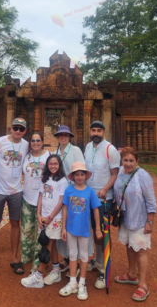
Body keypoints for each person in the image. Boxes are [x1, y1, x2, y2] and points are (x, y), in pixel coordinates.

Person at [0, 118, 29, 276]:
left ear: (25, 131)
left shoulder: (26, 145)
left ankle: (14, 258)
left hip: (16, 191)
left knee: (15, 223)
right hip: (0, 190)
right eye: (15, 128)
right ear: (10, 128)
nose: (17, 131)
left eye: (21, 129)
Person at [113, 147, 157, 302]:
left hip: (140, 219)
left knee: (141, 250)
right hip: (125, 218)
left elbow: (151, 200)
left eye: (131, 160)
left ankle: (143, 284)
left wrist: (149, 221)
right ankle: (131, 274)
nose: (128, 164)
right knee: (129, 246)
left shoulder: (142, 175)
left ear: (137, 161)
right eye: (125, 160)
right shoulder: (119, 172)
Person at [21, 155, 68, 288]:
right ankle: (56, 270)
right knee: (50, 244)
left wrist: (50, 217)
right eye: (50, 163)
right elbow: (41, 196)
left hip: (54, 218)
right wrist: (38, 214)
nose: (53, 166)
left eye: (56, 164)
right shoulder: (45, 179)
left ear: (59, 165)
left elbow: (61, 201)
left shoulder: (62, 181)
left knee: (46, 246)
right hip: (44, 217)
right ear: (47, 165)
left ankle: (38, 275)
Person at [84, 120, 120, 289]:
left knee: (104, 232)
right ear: (90, 132)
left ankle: (104, 267)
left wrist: (105, 189)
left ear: (104, 132)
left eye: (99, 130)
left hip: (104, 197)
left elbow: (115, 173)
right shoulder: (88, 147)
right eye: (93, 130)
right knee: (94, 229)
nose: (96, 133)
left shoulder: (110, 149)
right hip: (89, 195)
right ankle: (97, 260)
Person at [60, 162, 102, 301]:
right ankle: (73, 282)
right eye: (76, 174)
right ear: (73, 176)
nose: (79, 177)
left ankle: (82, 283)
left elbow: (96, 209)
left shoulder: (89, 191)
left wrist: (97, 229)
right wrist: (63, 227)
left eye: (82, 174)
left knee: (83, 255)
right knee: (72, 254)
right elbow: (65, 208)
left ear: (85, 175)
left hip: (84, 229)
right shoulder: (69, 190)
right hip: (71, 228)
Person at [53, 125, 87, 274]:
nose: (63, 137)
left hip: (75, 191)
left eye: (66, 135)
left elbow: (81, 171)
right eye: (60, 135)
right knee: (64, 225)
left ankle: (78, 261)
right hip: (61, 192)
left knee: (76, 225)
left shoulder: (75, 151)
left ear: (69, 137)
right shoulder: (55, 152)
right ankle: (68, 259)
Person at [21, 132, 50, 273]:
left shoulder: (48, 156)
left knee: (40, 231)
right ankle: (26, 256)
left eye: (38, 140)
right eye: (33, 140)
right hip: (27, 197)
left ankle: (38, 261)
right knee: (26, 229)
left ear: (42, 142)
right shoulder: (25, 157)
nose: (35, 143)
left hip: (43, 199)